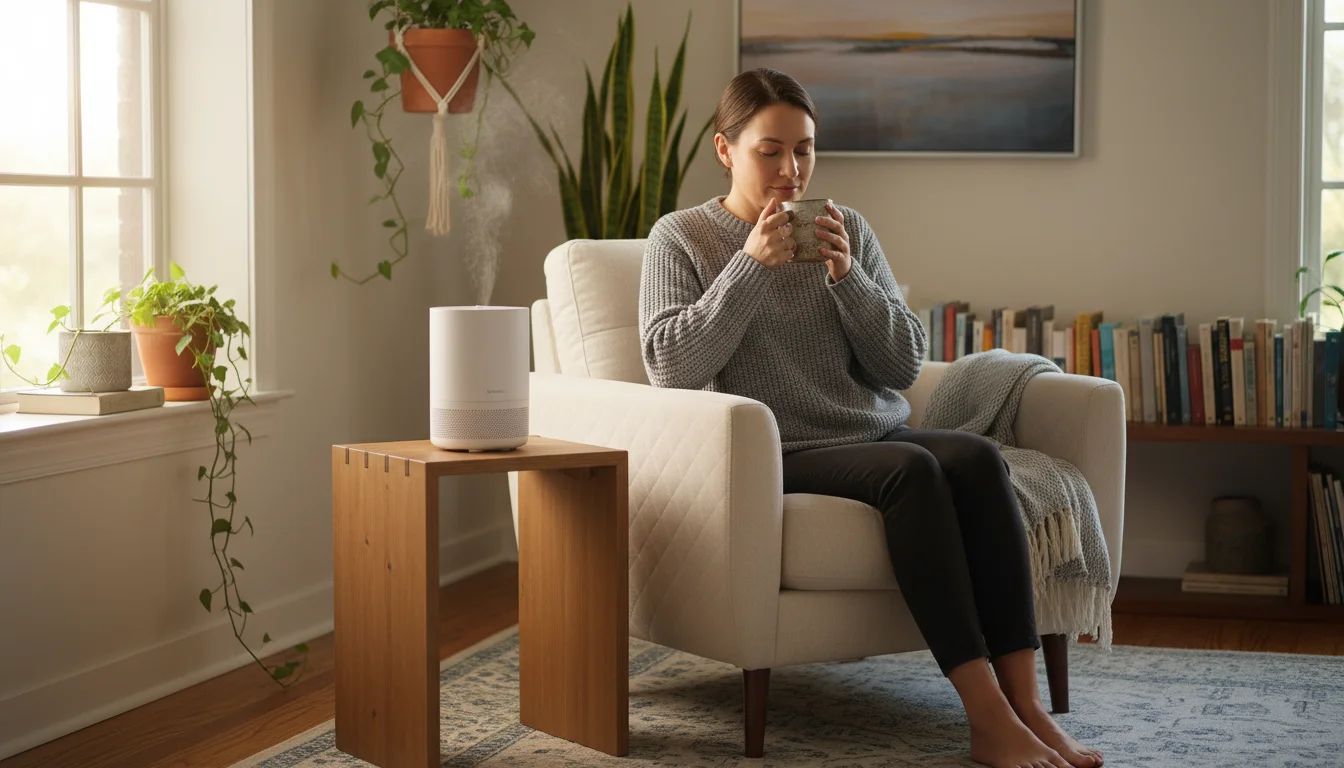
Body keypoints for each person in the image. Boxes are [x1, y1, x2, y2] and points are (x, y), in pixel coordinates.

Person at [637, 68, 1104, 768]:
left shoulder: (846, 227)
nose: (791, 170)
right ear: (725, 149)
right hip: (778, 448)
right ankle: (985, 718)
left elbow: (902, 364)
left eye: (805, 149)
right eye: (770, 150)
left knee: (980, 458)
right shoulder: (681, 237)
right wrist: (750, 266)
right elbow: (669, 365)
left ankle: (1027, 706)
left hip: (872, 432)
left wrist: (847, 277)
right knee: (912, 470)